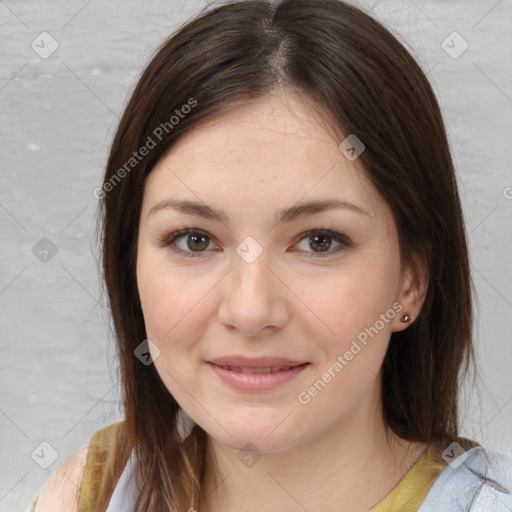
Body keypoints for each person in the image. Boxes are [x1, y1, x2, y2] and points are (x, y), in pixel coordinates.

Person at [31, 0, 512, 510]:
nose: (250, 310)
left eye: (319, 240)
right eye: (195, 239)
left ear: (410, 280)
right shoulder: (96, 488)